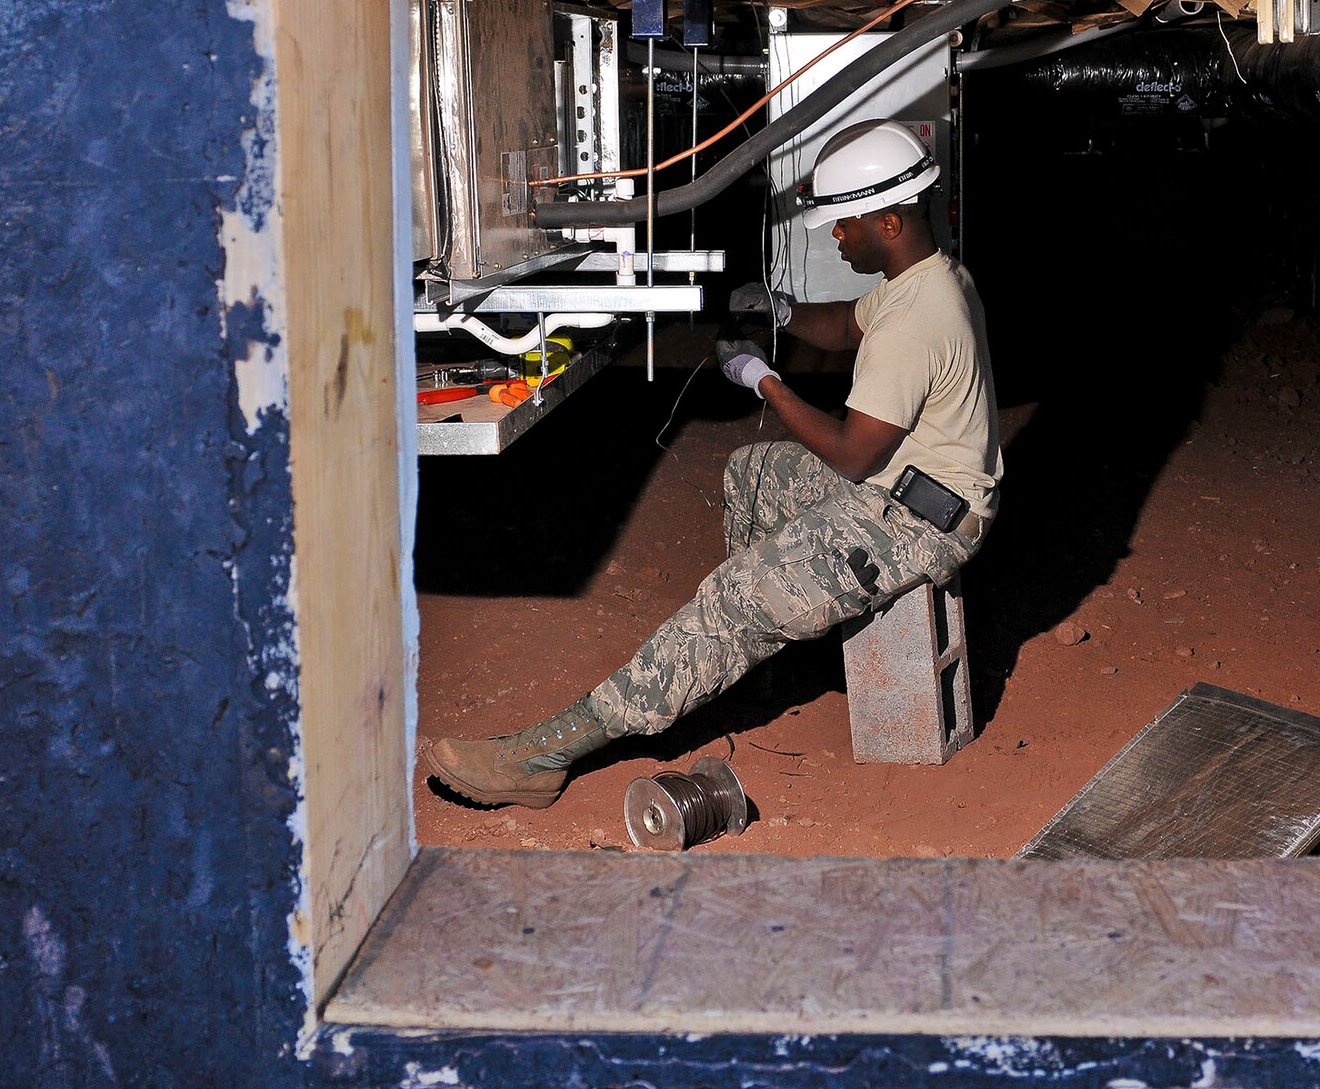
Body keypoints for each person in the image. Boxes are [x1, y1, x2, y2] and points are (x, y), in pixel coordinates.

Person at [424, 118, 1003, 809]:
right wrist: (781, 310)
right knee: (752, 472)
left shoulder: (919, 318)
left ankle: (545, 755)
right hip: (908, 483)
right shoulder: (930, 277)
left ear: (889, 218)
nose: (834, 236)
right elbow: (849, 325)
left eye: (843, 224)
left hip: (918, 520)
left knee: (730, 600)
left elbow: (852, 451)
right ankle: (744, 661)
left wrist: (764, 380)